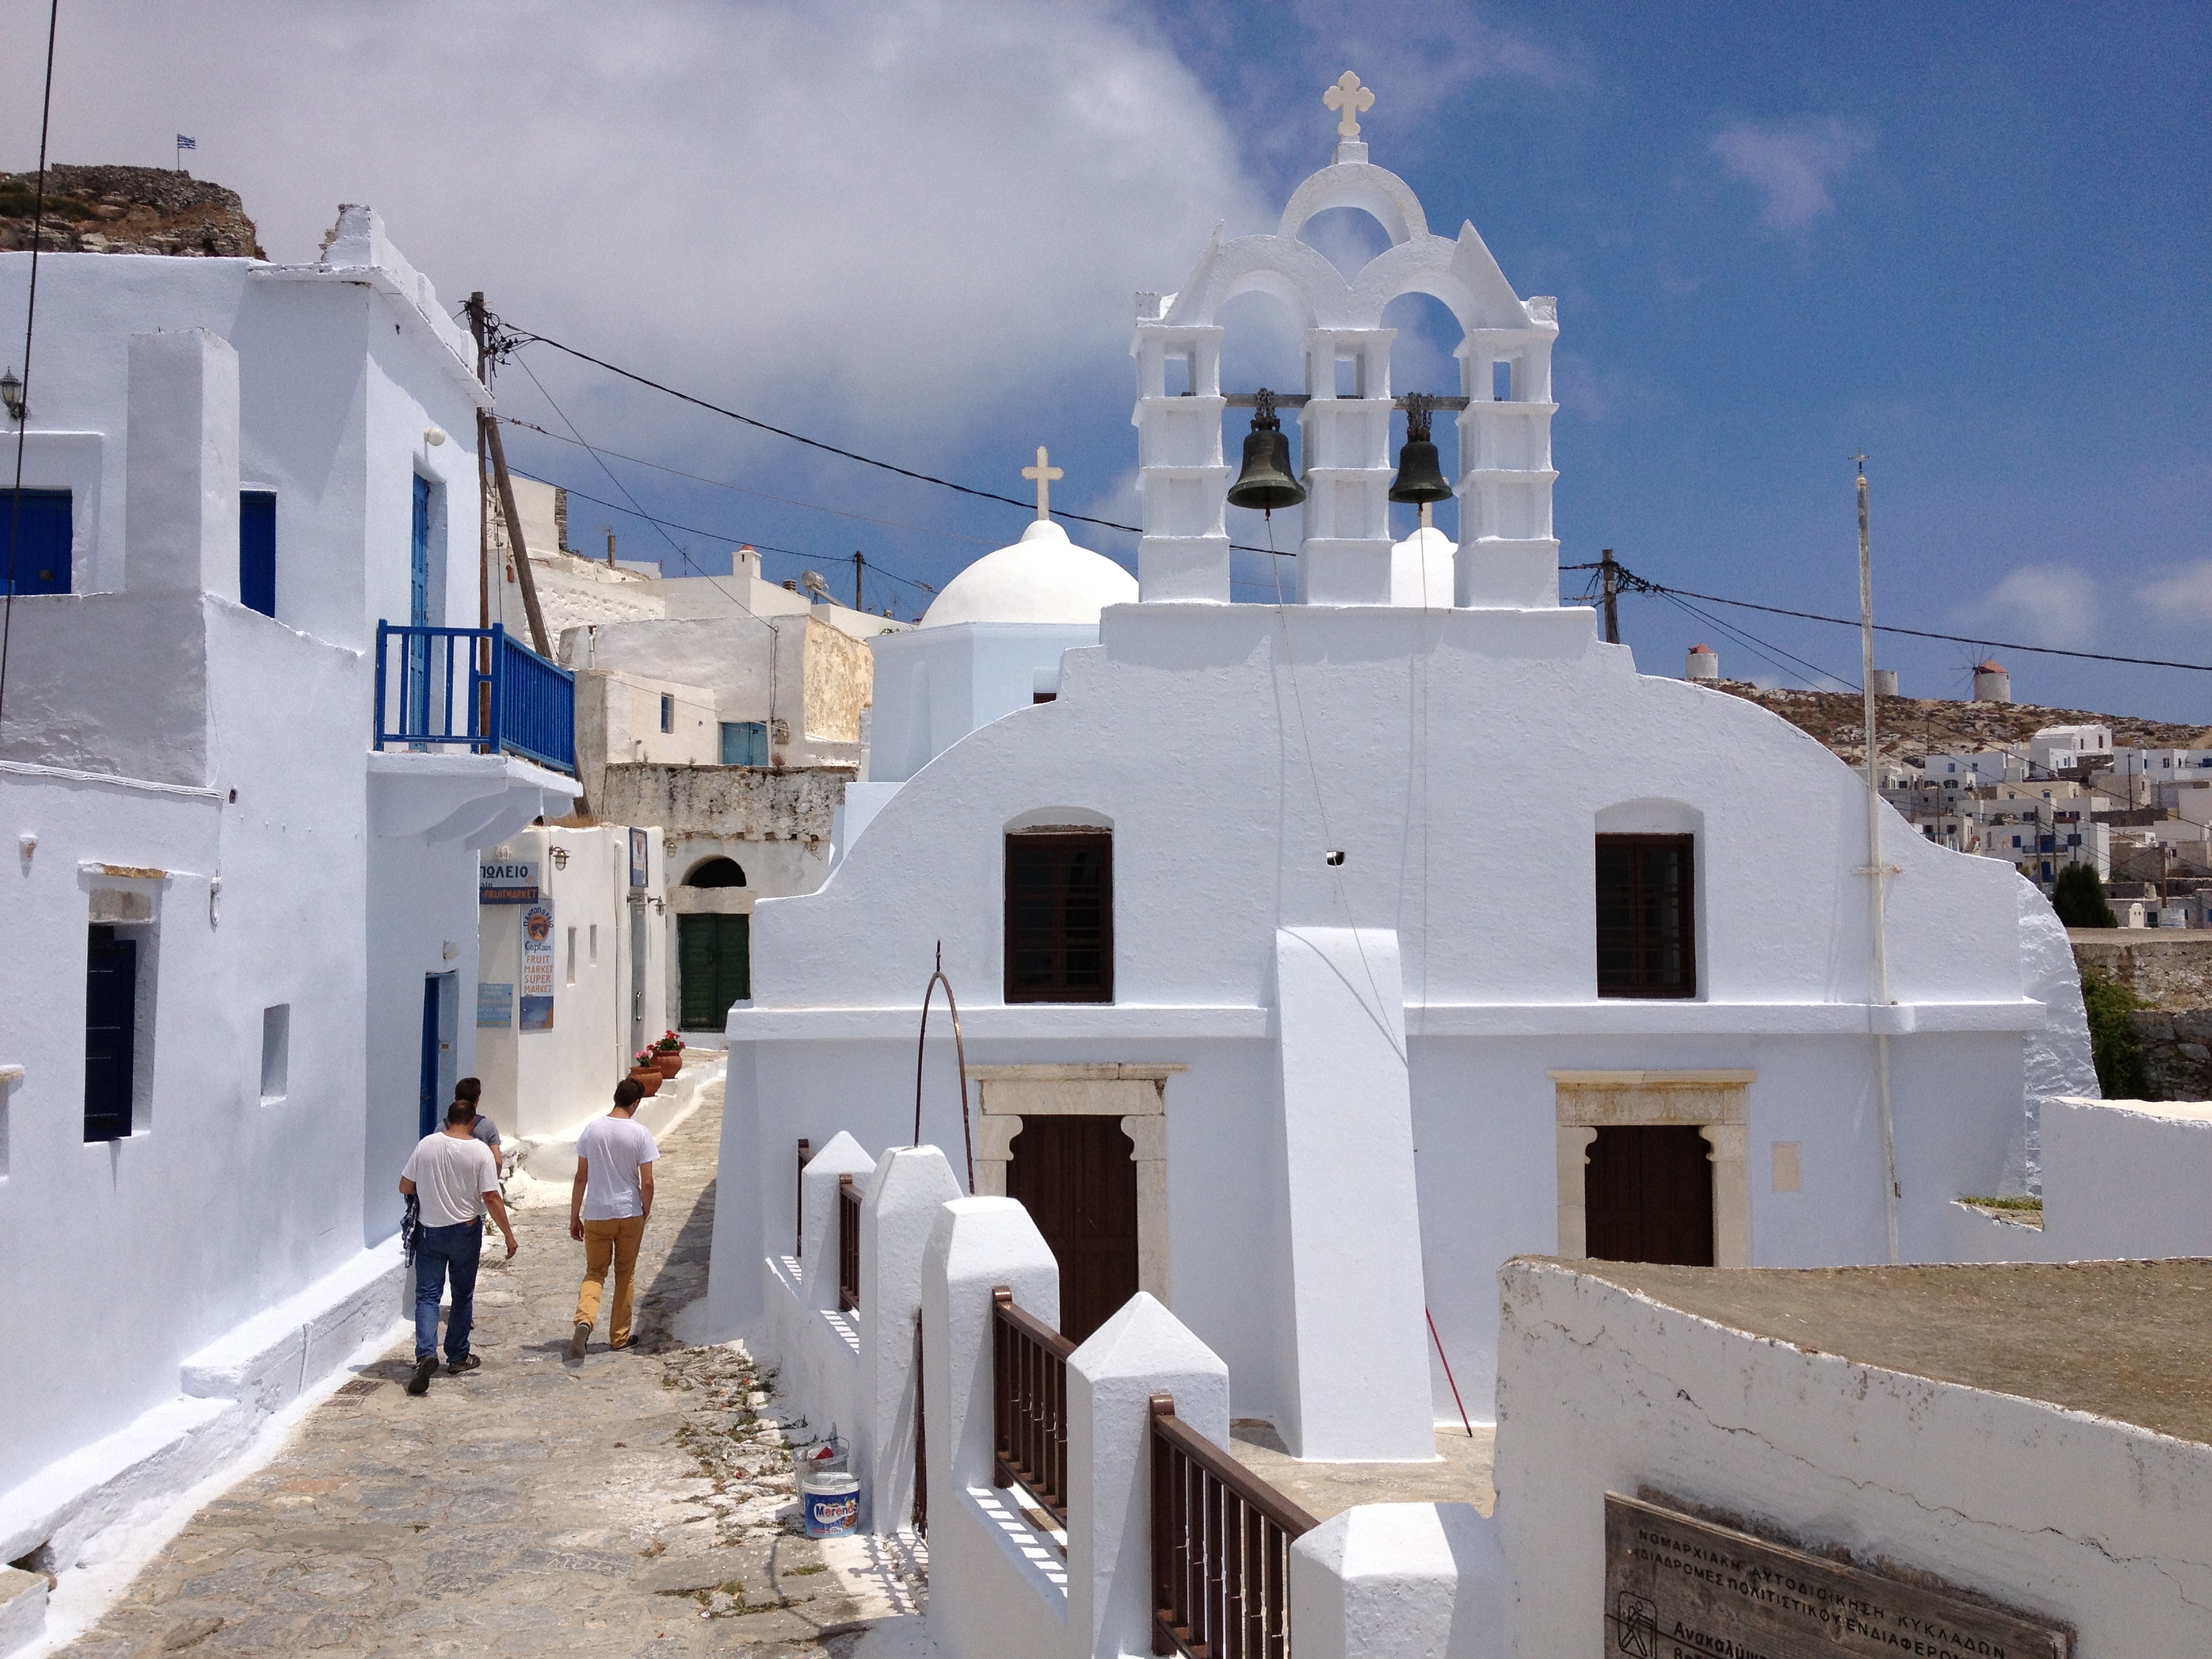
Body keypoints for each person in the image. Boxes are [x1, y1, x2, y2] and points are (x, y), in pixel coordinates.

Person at [400, 1100, 519, 1395]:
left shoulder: (427, 1145)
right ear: (472, 1121)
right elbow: (491, 1195)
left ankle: (426, 1354)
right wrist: (508, 1235)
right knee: (462, 1295)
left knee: (428, 1296)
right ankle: (457, 1355)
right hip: (466, 1230)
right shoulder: (480, 1151)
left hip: (431, 1231)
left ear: (448, 1119)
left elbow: (405, 1185)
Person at [570, 1077, 659, 1358]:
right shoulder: (640, 1133)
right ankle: (619, 1337)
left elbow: (581, 1176)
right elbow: (647, 1182)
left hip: (597, 1213)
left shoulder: (592, 1130)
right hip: (629, 1211)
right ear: (636, 1103)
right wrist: (645, 1208)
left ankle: (585, 1320)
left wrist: (575, 1216)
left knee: (595, 1272)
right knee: (625, 1274)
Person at [453, 1076, 504, 1182]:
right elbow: (498, 1162)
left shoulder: (442, 1127)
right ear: (477, 1100)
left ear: (455, 1099)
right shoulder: (487, 1126)